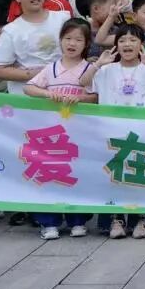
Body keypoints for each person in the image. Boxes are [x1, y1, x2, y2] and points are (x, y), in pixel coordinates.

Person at [81, 24, 145, 239]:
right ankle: (115, 219)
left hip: (141, 134)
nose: (127, 44)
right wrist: (98, 64)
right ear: (116, 45)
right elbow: (83, 83)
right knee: (113, 177)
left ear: (142, 44)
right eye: (122, 40)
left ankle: (140, 220)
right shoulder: (106, 70)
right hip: (111, 134)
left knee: (139, 177)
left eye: (133, 40)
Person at [23, 18, 98, 240]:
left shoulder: (90, 69)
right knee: (49, 174)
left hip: (80, 132)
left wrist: (80, 98)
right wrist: (48, 93)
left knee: (77, 174)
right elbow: (29, 88)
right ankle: (49, 222)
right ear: (60, 40)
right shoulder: (51, 68)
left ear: (86, 43)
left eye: (78, 39)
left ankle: (78, 220)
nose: (72, 43)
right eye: (67, 38)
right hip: (52, 134)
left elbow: (96, 96)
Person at [0, 0, 71, 95]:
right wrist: (40, 74)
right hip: (26, 98)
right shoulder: (11, 31)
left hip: (63, 94)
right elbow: (0, 70)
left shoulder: (63, 19)